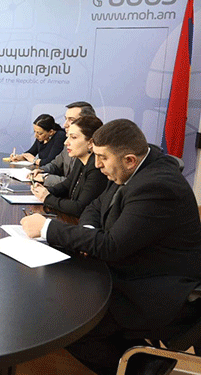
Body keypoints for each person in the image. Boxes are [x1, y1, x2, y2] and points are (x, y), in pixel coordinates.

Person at [21, 119, 201, 375]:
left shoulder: (157, 186)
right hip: (133, 268)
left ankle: (141, 368)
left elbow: (112, 246)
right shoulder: (132, 168)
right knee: (65, 291)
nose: (97, 165)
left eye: (102, 158)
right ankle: (142, 360)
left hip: (157, 288)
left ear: (130, 160)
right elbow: (95, 206)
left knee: (68, 320)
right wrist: (88, 232)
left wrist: (47, 228)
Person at [30, 115, 107, 217]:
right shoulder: (80, 160)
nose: (66, 142)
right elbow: (66, 185)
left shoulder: (97, 168)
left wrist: (47, 198)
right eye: (68, 137)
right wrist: (44, 191)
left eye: (73, 137)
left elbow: (79, 208)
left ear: (90, 143)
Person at [29, 101, 96, 186]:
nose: (65, 125)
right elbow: (55, 164)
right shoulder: (68, 143)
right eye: (66, 119)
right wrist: (41, 170)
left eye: (71, 120)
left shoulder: (95, 154)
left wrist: (45, 177)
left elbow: (75, 183)